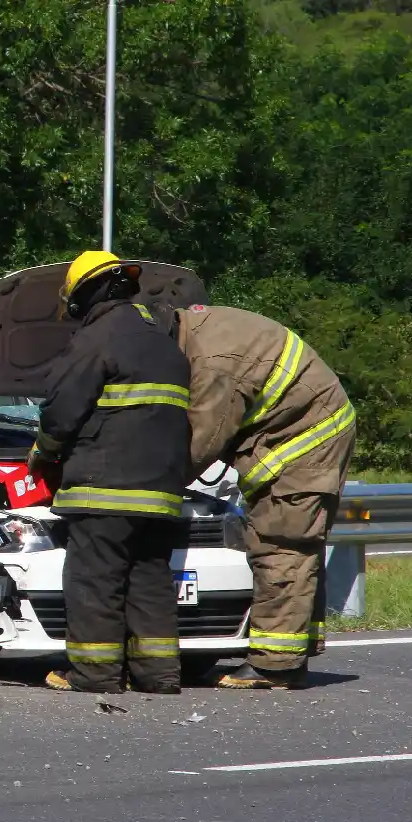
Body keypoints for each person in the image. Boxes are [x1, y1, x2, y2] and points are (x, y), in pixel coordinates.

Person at [144, 294, 356, 689]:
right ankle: (293, 652)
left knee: (282, 544)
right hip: (300, 432)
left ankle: (275, 667)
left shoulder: (211, 363)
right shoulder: (195, 329)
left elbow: (202, 441)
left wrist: (151, 483)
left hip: (307, 440)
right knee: (293, 546)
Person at [27, 251, 192, 694]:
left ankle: (95, 673)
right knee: (150, 579)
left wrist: (43, 453)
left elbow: (62, 412)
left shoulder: (97, 337)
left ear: (85, 295)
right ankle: (158, 676)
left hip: (105, 487)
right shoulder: (163, 341)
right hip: (161, 492)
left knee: (94, 580)